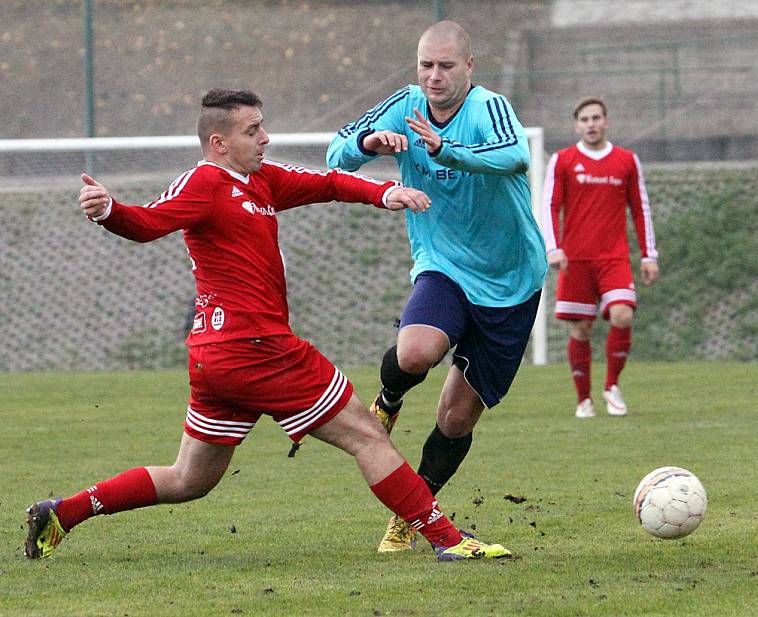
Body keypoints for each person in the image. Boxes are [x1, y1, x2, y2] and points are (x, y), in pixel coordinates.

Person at [23, 88, 512, 562]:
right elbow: (149, 222)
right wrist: (109, 212)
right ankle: (447, 539)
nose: (266, 137)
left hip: (219, 358)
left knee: (189, 480)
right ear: (220, 143)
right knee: (368, 435)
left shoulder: (261, 181)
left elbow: (328, 183)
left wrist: (385, 192)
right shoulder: (205, 183)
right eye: (253, 130)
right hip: (257, 348)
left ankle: (61, 513)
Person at [326, 21, 547, 553]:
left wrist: (445, 150)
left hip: (511, 283)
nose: (434, 76)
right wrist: (368, 142)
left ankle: (411, 515)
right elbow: (336, 153)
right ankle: (388, 399)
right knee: (415, 350)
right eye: (426, 65)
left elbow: (513, 156)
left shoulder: (489, 107)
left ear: (469, 67)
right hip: (443, 265)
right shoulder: (403, 104)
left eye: (446, 66)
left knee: (454, 416)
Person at [542, 96, 659, 419]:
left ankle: (611, 386)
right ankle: (584, 400)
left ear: (606, 121)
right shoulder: (563, 160)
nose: (591, 124)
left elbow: (640, 208)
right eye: (585, 119)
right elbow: (550, 205)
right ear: (576, 125)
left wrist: (649, 255)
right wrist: (554, 247)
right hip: (576, 260)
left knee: (622, 315)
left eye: (596, 118)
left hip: (614, 259)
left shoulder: (626, 160)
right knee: (580, 330)